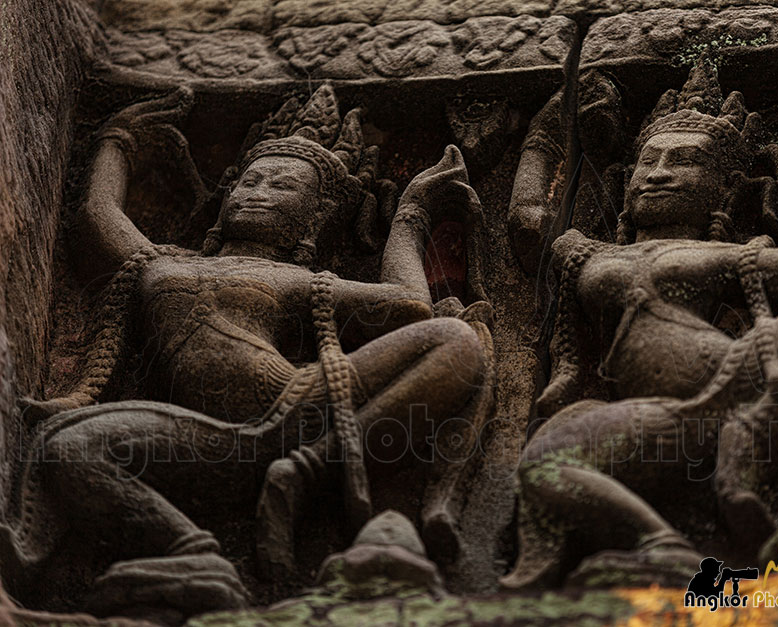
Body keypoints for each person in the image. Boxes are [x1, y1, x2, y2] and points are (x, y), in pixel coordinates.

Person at [4, 84, 489, 617]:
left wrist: (411, 217)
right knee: (67, 447)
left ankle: (310, 472)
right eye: (251, 180)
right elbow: (97, 215)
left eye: (283, 185)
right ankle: (194, 556)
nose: (258, 191)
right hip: (214, 440)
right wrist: (117, 138)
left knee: (458, 339)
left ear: (316, 214)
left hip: (297, 406)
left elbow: (407, 306)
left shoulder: (300, 280)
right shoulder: (160, 261)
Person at [500, 63, 778, 589]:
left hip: (749, 376)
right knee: (543, 464)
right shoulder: (583, 252)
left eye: (684, 161)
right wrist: (545, 131)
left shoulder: (729, 254)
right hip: (668, 413)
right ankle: (664, 548)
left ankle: (754, 435)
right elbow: (526, 220)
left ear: (724, 187)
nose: (659, 172)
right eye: (650, 161)